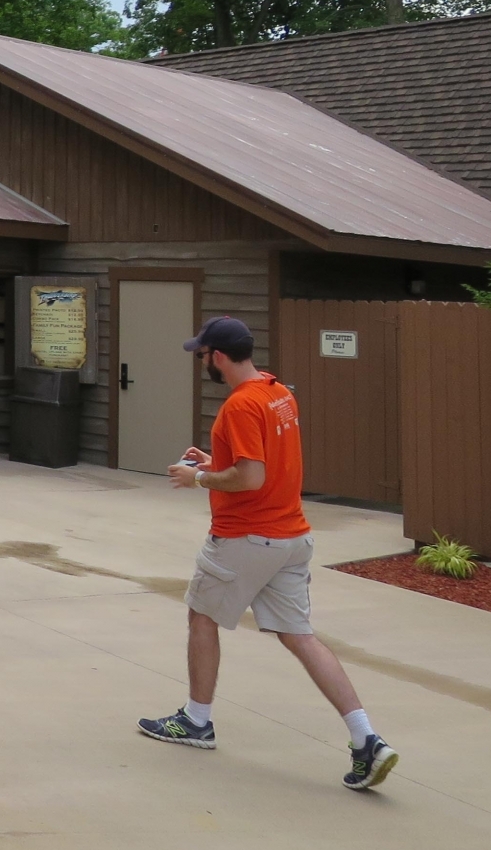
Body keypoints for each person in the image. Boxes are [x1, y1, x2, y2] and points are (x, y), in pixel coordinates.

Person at [138, 317, 398, 789]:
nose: (202, 362)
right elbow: (262, 465)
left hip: (246, 537)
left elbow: (251, 477)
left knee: (202, 616)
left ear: (217, 356)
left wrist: (198, 477)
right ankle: (367, 739)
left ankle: (196, 721)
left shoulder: (239, 406)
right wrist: (216, 463)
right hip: (291, 537)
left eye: (202, 355)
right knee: (300, 635)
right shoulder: (279, 394)